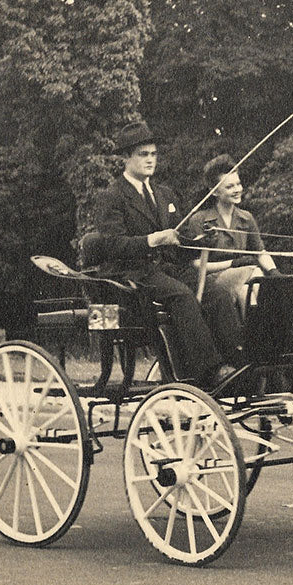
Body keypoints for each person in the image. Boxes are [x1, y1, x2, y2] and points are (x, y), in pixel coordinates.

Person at [91, 120, 232, 390]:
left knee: (218, 293)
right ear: (126, 158)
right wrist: (153, 239)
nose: (150, 160)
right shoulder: (112, 197)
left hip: (164, 268)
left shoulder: (164, 193)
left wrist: (201, 240)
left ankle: (235, 362)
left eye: (153, 154)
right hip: (130, 274)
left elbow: (178, 242)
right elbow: (112, 245)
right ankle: (208, 372)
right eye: (143, 154)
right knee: (181, 295)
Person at [185, 154, 282, 358]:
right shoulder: (200, 220)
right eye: (229, 187)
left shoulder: (246, 219)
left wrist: (274, 272)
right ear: (215, 192)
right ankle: (255, 340)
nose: (237, 189)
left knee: (254, 284)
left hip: (244, 278)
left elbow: (259, 251)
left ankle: (261, 340)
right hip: (212, 283)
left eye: (238, 184)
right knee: (252, 273)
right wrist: (233, 263)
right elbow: (196, 264)